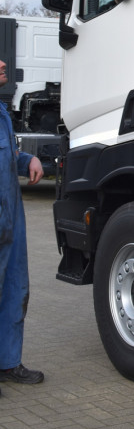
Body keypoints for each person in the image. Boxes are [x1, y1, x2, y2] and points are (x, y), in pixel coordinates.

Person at [0, 58, 45, 392]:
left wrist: (28, 159)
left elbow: (7, 156)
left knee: (15, 289)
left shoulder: (2, 112)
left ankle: (8, 362)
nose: (3, 63)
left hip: (10, 220)